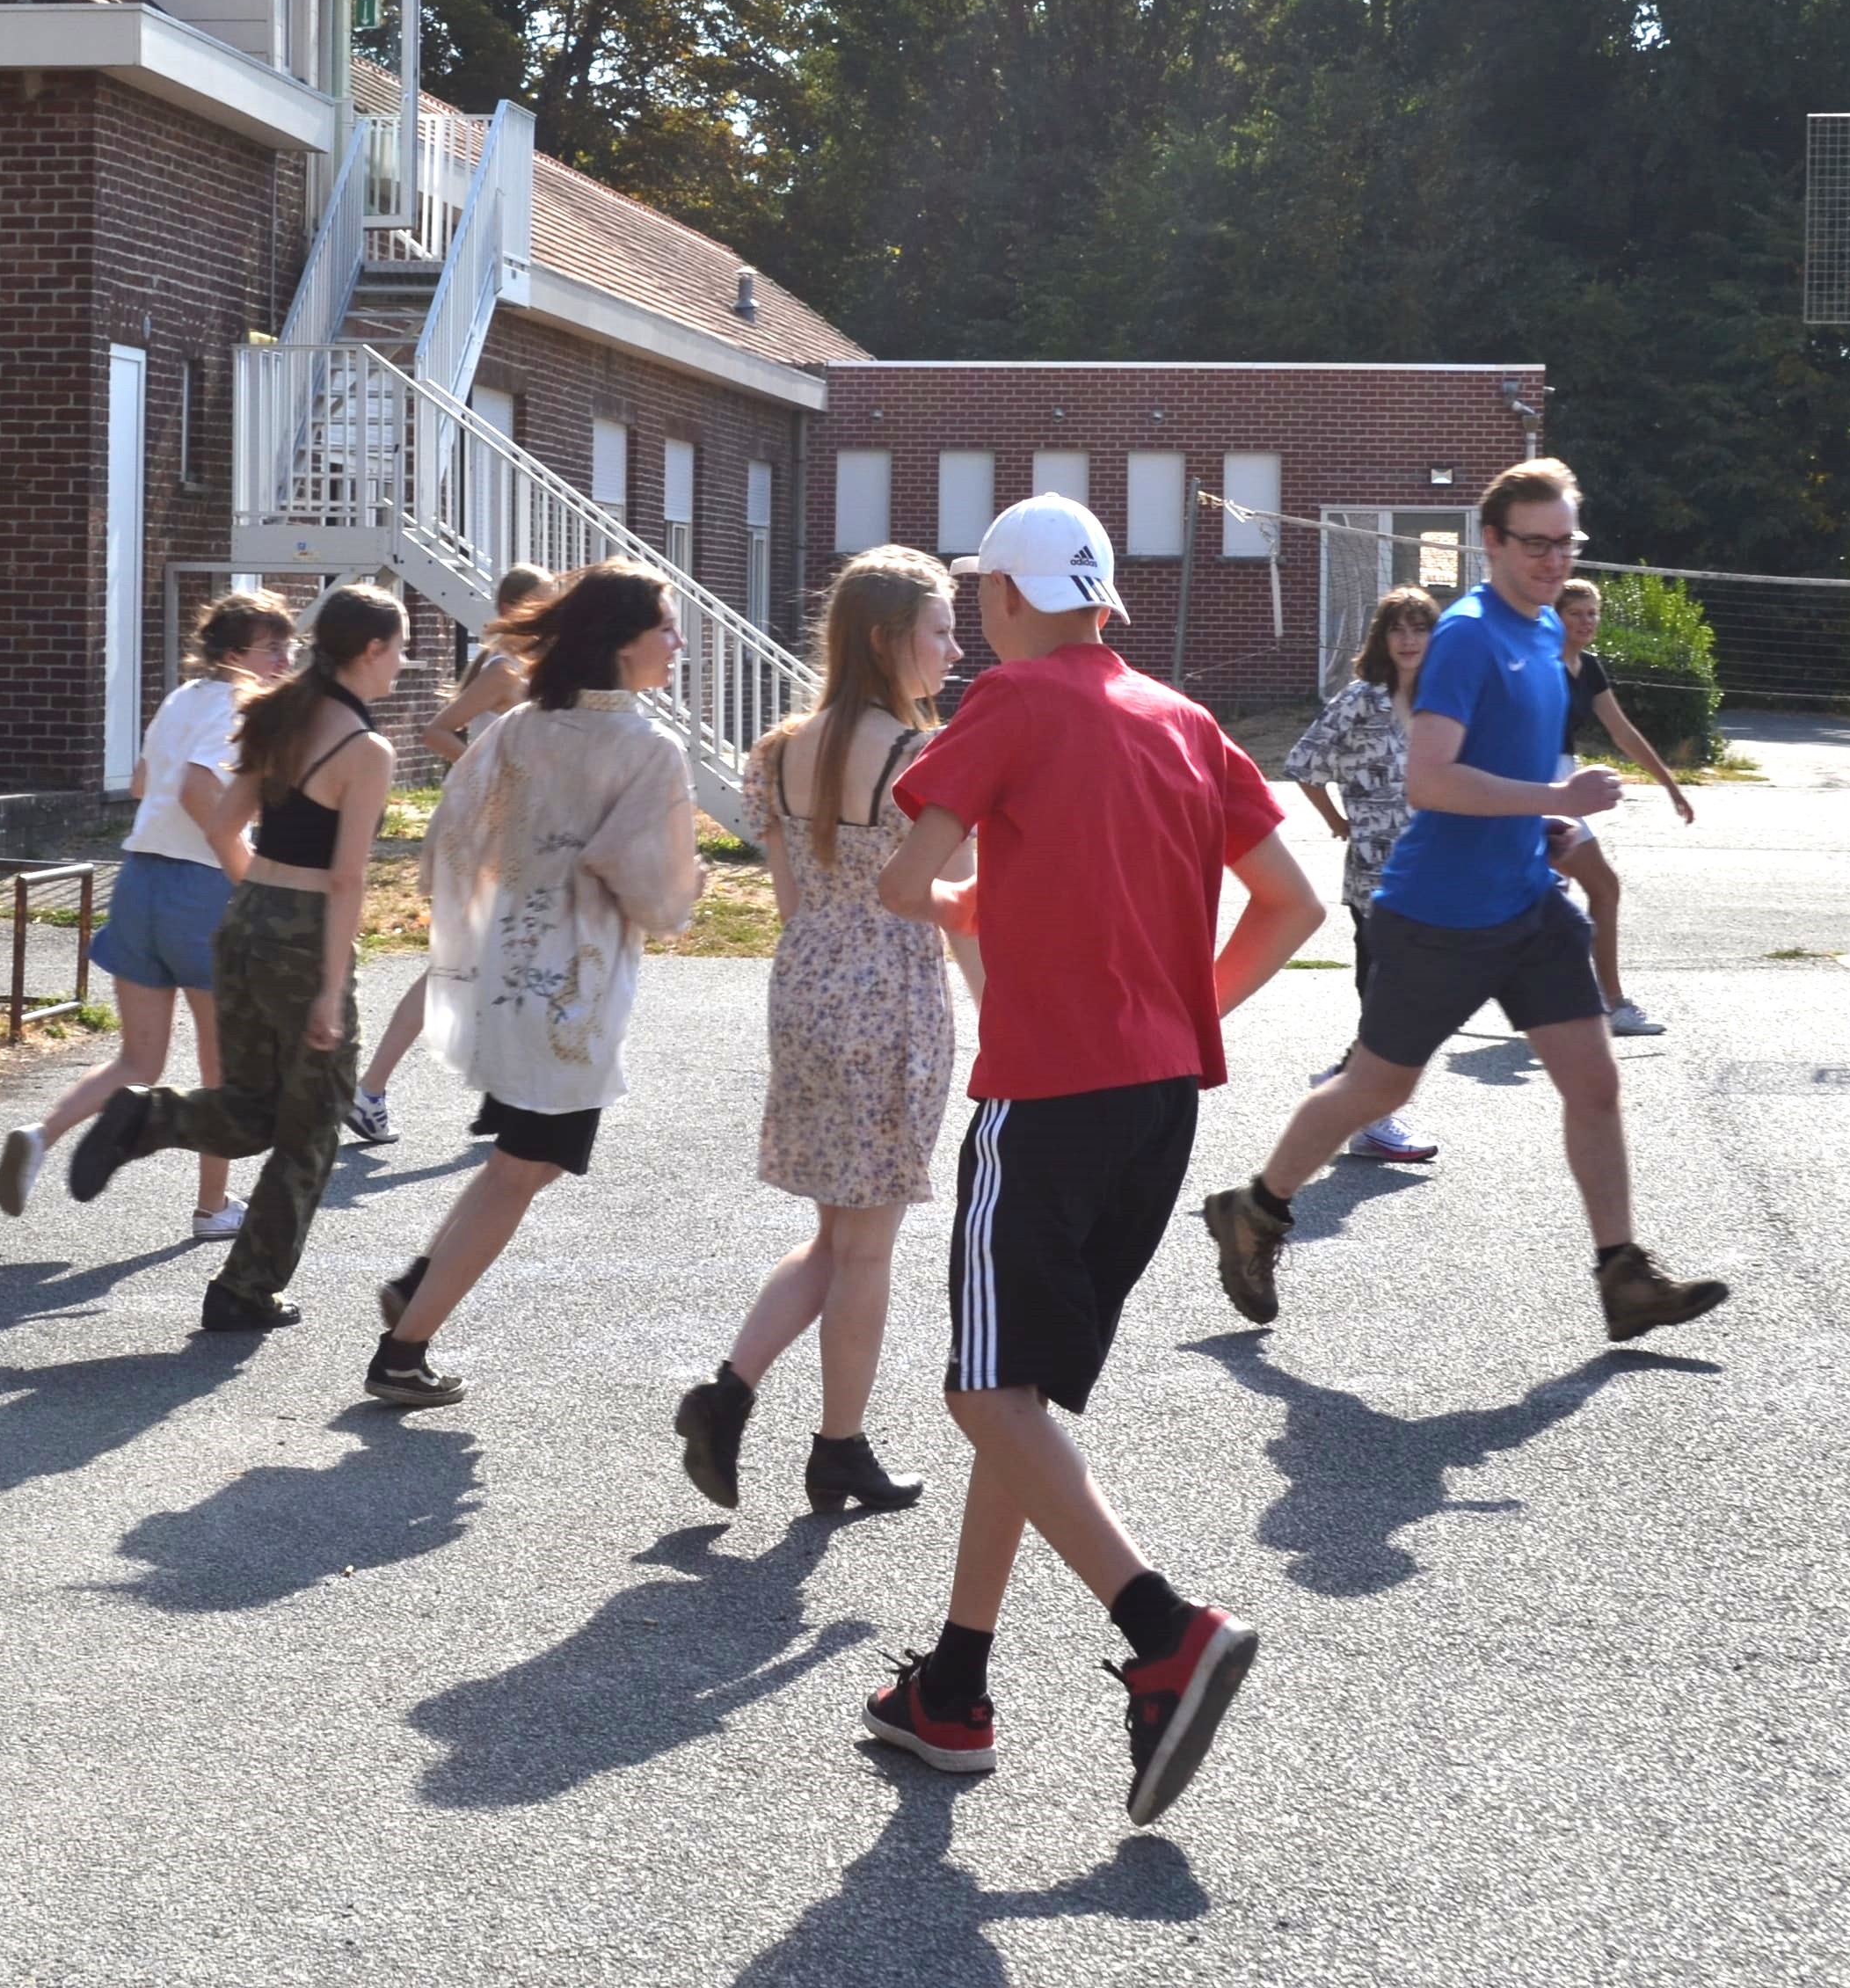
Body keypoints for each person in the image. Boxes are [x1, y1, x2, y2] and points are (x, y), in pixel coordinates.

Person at [852, 494, 1322, 1826]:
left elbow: (909, 871)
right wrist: (1184, 1012)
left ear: (1001, 601)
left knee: (987, 1392)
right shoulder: (1182, 720)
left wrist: (943, 894)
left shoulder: (1008, 704)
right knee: (1028, 1398)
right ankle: (954, 1686)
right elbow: (1295, 901)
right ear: (1103, 595)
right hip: (1160, 1104)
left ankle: (1163, 1630)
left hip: (1044, 1097)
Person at [1198, 459, 1734, 1351]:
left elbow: (1509, 775)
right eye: (1536, 543)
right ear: (1492, 541)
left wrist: (1544, 836)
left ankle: (1622, 1275)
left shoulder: (1541, 637)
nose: (1554, 561)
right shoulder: (1469, 636)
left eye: (1567, 543)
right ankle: (1255, 1210)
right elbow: (1431, 778)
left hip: (1527, 900)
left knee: (1595, 1083)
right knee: (1380, 1084)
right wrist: (1558, 804)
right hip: (1439, 913)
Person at [364, 562, 707, 1409]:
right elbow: (653, 887)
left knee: (530, 1157)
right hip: (575, 996)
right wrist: (682, 891)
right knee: (526, 1165)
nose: (679, 642)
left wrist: (494, 903)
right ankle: (404, 1348)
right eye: (666, 626)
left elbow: (453, 828)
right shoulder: (648, 748)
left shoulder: (521, 725)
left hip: (509, 970)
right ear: (624, 643)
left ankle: (419, 1287)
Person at [674, 548, 967, 1516]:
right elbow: (945, 904)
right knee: (868, 1247)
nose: (955, 648)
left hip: (805, 990)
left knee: (837, 1235)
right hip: (890, 997)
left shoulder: (779, 749)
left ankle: (727, 1397)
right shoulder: (922, 758)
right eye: (939, 629)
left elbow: (794, 897)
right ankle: (839, 1448)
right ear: (889, 641)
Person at [61, 582, 404, 1331]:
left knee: (254, 1107)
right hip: (305, 927)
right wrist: (330, 981)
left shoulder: (276, 716)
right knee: (312, 1126)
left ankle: (146, 1121)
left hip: (241, 916)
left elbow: (222, 823)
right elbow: (348, 875)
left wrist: (261, 898)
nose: (400, 667)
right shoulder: (365, 748)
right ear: (371, 650)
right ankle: (244, 1287)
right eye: (399, 650)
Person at [0, 591, 299, 1234]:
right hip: (203, 893)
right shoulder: (242, 705)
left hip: (137, 881)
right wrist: (248, 873)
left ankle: (41, 1135)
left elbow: (141, 783)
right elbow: (195, 785)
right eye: (276, 647)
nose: (287, 658)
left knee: (140, 1060)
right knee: (223, 1070)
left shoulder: (182, 697)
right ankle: (212, 1210)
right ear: (239, 652)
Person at [343, 567, 557, 1147]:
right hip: (482, 830)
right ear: (517, 610)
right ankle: (371, 1091)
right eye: (544, 606)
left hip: (503, 831)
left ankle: (502, 1095)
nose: (554, 616)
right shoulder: (505, 669)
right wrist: (493, 778)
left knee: (504, 956)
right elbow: (437, 731)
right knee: (458, 966)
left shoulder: (523, 669)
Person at [1286, 586, 1446, 1165]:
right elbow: (1304, 764)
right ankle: (1371, 1116)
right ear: (1382, 638)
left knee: (1413, 994)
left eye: (1419, 628)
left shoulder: (1442, 701)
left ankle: (1353, 1076)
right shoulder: (1361, 699)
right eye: (1398, 629)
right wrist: (1336, 820)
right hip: (1376, 876)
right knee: (1389, 995)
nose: (1408, 639)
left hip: (1432, 871)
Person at [1548, 577, 1698, 1038]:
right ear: (1555, 616)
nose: (1586, 621)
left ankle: (1582, 999)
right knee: (1596, 890)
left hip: (1561, 779)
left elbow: (1623, 731)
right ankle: (1610, 1004)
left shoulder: (1589, 668)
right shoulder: (1538, 662)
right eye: (1576, 613)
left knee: (1580, 893)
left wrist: (1669, 784)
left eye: (1592, 613)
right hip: (1534, 783)